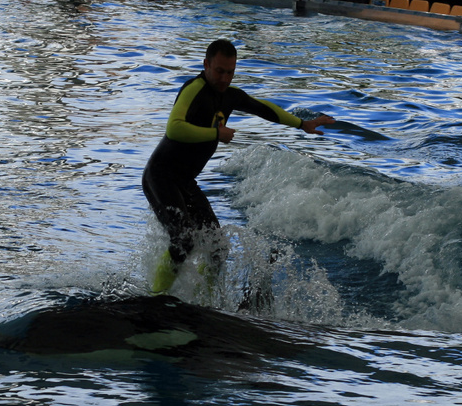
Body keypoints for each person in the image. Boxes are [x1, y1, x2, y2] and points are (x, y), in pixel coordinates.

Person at [142, 39, 335, 294]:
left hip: (185, 182)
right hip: (160, 175)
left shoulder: (229, 96)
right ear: (206, 65)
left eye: (230, 72)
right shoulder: (194, 89)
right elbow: (174, 128)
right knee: (184, 239)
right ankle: (154, 298)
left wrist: (302, 124)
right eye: (219, 71)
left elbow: (263, 108)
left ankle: (205, 300)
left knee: (218, 247)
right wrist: (215, 134)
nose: (224, 78)